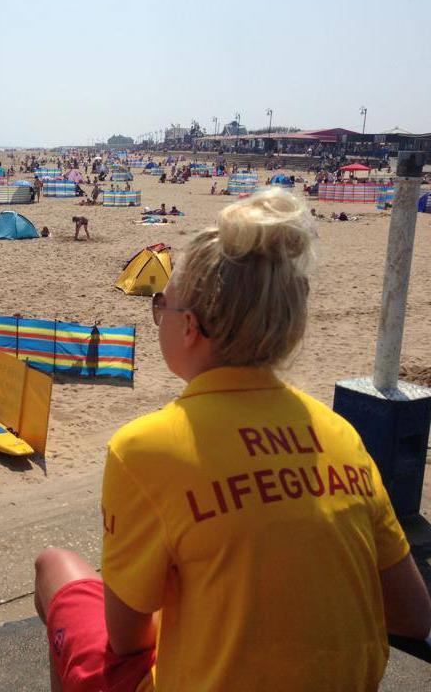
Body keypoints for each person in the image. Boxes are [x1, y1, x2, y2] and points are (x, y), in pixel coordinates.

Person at [34, 188, 431, 692]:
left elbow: (128, 640)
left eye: (162, 305)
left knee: (54, 567)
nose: (158, 317)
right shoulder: (339, 434)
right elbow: (413, 616)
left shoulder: (146, 448)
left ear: (190, 328)